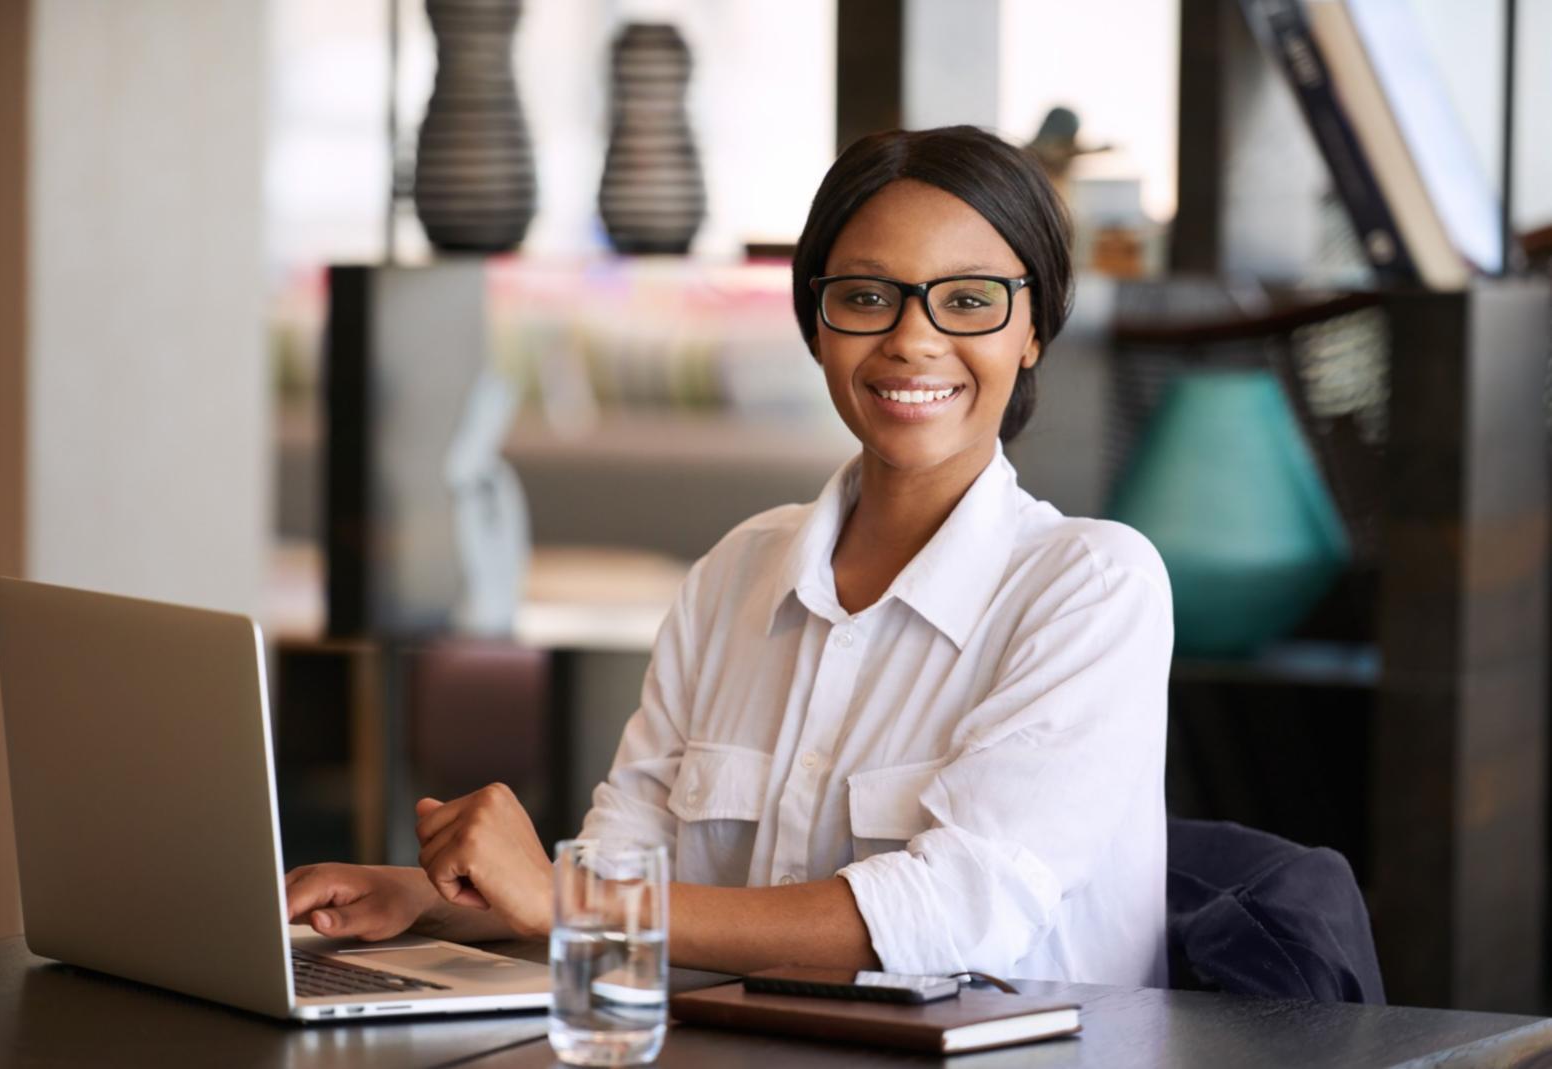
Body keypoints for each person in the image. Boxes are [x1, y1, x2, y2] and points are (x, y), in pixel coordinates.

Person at [286, 125, 1173, 987]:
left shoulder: (1093, 588)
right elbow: (632, 872)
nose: (912, 338)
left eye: (970, 299)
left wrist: (562, 898)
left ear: (1033, 332)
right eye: (866, 296)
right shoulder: (736, 574)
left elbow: (954, 914)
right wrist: (432, 897)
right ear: (815, 326)